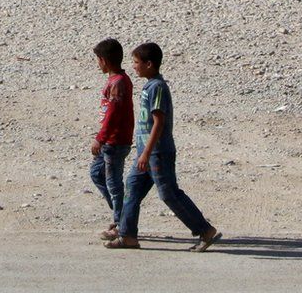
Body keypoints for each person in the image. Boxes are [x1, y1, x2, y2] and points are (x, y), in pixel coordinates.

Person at [109, 41, 220, 250]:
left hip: (158, 153)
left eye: (136, 62)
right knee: (131, 189)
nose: (133, 66)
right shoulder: (149, 85)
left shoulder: (158, 87)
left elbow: (159, 122)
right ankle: (127, 235)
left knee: (169, 193)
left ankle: (205, 230)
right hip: (145, 153)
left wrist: (147, 153)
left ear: (149, 64)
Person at [88, 39, 133, 241]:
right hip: (111, 141)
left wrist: (100, 138)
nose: (97, 64)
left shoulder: (119, 83)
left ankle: (121, 223)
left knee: (114, 184)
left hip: (114, 142)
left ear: (104, 60)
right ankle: (122, 216)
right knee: (97, 173)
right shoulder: (116, 80)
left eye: (98, 59)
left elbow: (113, 115)